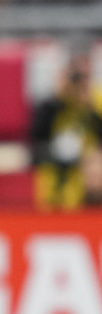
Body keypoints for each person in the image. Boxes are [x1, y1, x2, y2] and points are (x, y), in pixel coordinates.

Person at [30, 49, 102, 209]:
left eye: (85, 76)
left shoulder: (97, 100)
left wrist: (89, 105)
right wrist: (57, 100)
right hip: (54, 165)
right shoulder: (53, 102)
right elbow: (37, 134)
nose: (79, 81)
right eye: (76, 76)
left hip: (85, 167)